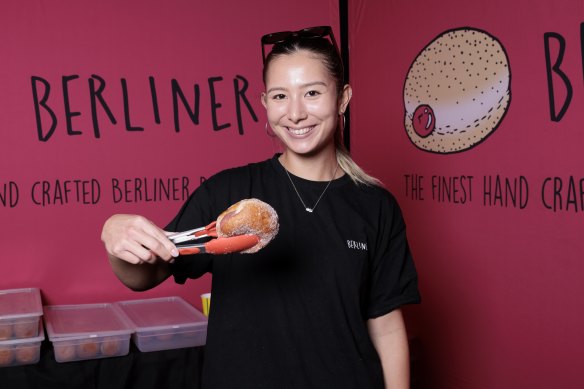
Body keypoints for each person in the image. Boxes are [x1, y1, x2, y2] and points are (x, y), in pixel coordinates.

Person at [101, 26, 420, 388]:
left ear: (343, 98)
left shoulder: (375, 206)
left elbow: (387, 325)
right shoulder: (229, 192)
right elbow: (146, 275)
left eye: (312, 93)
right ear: (265, 103)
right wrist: (115, 238)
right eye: (281, 96)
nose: (296, 113)